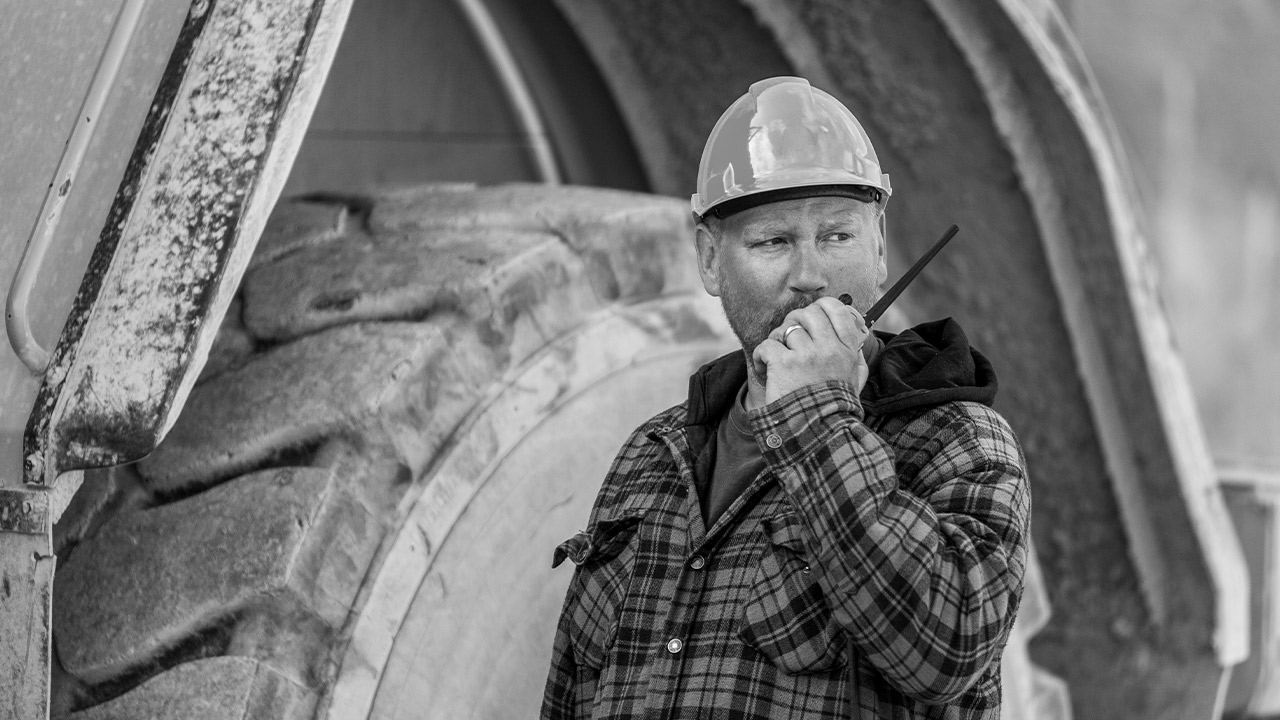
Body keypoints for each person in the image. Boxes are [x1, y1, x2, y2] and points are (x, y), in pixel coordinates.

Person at [542, 76, 1031, 719]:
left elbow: (945, 653)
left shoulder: (959, 441)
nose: (810, 277)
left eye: (837, 236)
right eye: (773, 241)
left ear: (880, 247)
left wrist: (818, 415)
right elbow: (570, 693)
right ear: (711, 261)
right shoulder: (654, 454)